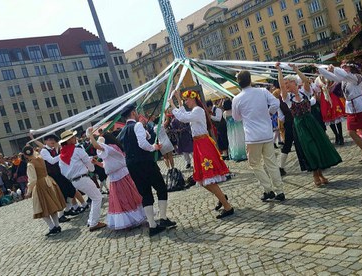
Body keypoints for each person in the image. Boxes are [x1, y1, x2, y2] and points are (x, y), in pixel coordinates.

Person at [169, 90, 234, 218]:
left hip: (203, 145)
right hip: (199, 144)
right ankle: (221, 197)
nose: (186, 102)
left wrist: (172, 104)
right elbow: (185, 115)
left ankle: (227, 206)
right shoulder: (195, 111)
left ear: (193, 99)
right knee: (201, 179)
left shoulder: (198, 110)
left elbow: (183, 117)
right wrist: (178, 100)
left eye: (187, 99)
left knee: (207, 178)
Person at [277, 63, 342, 186]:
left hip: (311, 121)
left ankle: (320, 173)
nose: (286, 86)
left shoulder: (304, 93)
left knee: (318, 145)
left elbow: (306, 81)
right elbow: (281, 86)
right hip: (300, 124)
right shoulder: (287, 98)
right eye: (285, 84)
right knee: (309, 148)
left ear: (294, 83)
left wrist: (296, 69)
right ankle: (315, 174)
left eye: (288, 83)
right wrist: (279, 70)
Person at [117, 104, 176, 236]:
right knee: (161, 187)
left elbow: (137, 142)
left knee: (145, 193)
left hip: (132, 165)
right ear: (133, 113)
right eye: (136, 112)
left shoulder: (123, 131)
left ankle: (152, 225)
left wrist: (145, 132)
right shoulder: (136, 125)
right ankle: (163, 218)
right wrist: (153, 147)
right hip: (145, 162)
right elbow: (142, 144)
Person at [232, 70, 285, 201]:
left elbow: (236, 118)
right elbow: (276, 103)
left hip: (252, 136)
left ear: (238, 83)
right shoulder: (262, 91)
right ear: (250, 80)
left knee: (255, 164)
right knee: (271, 163)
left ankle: (268, 189)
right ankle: (279, 190)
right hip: (266, 133)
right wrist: (269, 113)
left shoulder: (237, 99)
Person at [317, 62, 362, 164]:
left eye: (345, 67)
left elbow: (343, 75)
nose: (343, 68)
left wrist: (335, 68)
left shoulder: (356, 77)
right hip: (351, 108)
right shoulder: (344, 80)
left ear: (351, 68)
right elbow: (333, 77)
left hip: (360, 106)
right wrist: (319, 69)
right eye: (342, 67)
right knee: (351, 132)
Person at [87, 128, 146, 230]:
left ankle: (134, 219)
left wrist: (90, 135)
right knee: (122, 200)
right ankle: (130, 220)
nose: (100, 141)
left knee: (126, 198)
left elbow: (96, 146)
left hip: (121, 176)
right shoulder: (110, 149)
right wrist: (97, 163)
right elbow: (107, 165)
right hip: (116, 177)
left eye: (102, 139)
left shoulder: (111, 147)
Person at [30, 133, 89, 223]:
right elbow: (52, 161)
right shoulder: (44, 151)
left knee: (71, 191)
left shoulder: (53, 149)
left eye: (53, 140)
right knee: (63, 193)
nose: (52, 141)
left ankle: (67, 210)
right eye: (50, 140)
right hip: (53, 175)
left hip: (60, 173)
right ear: (46, 141)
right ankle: (61, 215)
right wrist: (63, 155)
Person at [58, 130, 106, 232]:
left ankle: (91, 220)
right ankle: (94, 223)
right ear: (69, 140)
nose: (75, 138)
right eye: (73, 137)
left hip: (74, 181)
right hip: (82, 178)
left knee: (95, 197)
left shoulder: (62, 155)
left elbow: (63, 171)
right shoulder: (77, 150)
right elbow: (89, 166)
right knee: (97, 197)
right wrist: (91, 166)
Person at [23, 146, 66, 236]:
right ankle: (57, 225)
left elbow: (33, 179)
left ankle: (51, 227)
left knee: (41, 207)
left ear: (25, 155)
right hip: (48, 181)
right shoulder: (40, 159)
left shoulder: (30, 164)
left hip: (40, 184)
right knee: (52, 205)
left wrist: (28, 191)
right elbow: (37, 154)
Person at [314, 75, 346, 145]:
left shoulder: (329, 75)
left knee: (337, 116)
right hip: (324, 98)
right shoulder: (317, 79)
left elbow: (336, 82)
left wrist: (330, 87)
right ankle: (336, 135)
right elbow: (316, 89)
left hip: (332, 96)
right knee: (329, 117)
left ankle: (340, 136)